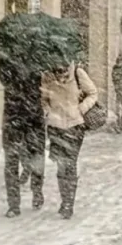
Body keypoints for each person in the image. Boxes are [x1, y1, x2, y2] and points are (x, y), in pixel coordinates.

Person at [41, 61, 98, 219]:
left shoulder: (78, 73)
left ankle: (68, 204)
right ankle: (65, 199)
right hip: (56, 126)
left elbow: (93, 93)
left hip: (75, 126)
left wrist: (81, 108)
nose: (61, 72)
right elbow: (44, 99)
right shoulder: (47, 76)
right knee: (61, 165)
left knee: (70, 163)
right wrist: (47, 112)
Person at [0, 57, 44, 218]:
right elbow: (4, 79)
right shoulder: (7, 57)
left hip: (32, 116)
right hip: (14, 116)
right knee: (11, 160)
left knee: (36, 155)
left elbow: (42, 81)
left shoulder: (38, 53)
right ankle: (14, 203)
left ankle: (37, 191)